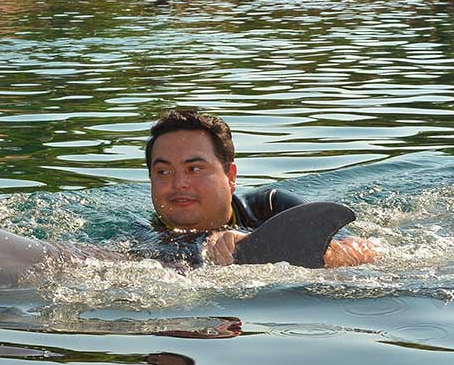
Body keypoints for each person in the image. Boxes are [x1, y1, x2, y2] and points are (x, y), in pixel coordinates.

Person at [145, 109, 376, 267]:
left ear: (230, 176)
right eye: (163, 172)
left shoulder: (272, 207)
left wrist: (257, 243)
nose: (178, 184)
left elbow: (365, 250)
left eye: (194, 169)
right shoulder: (143, 236)